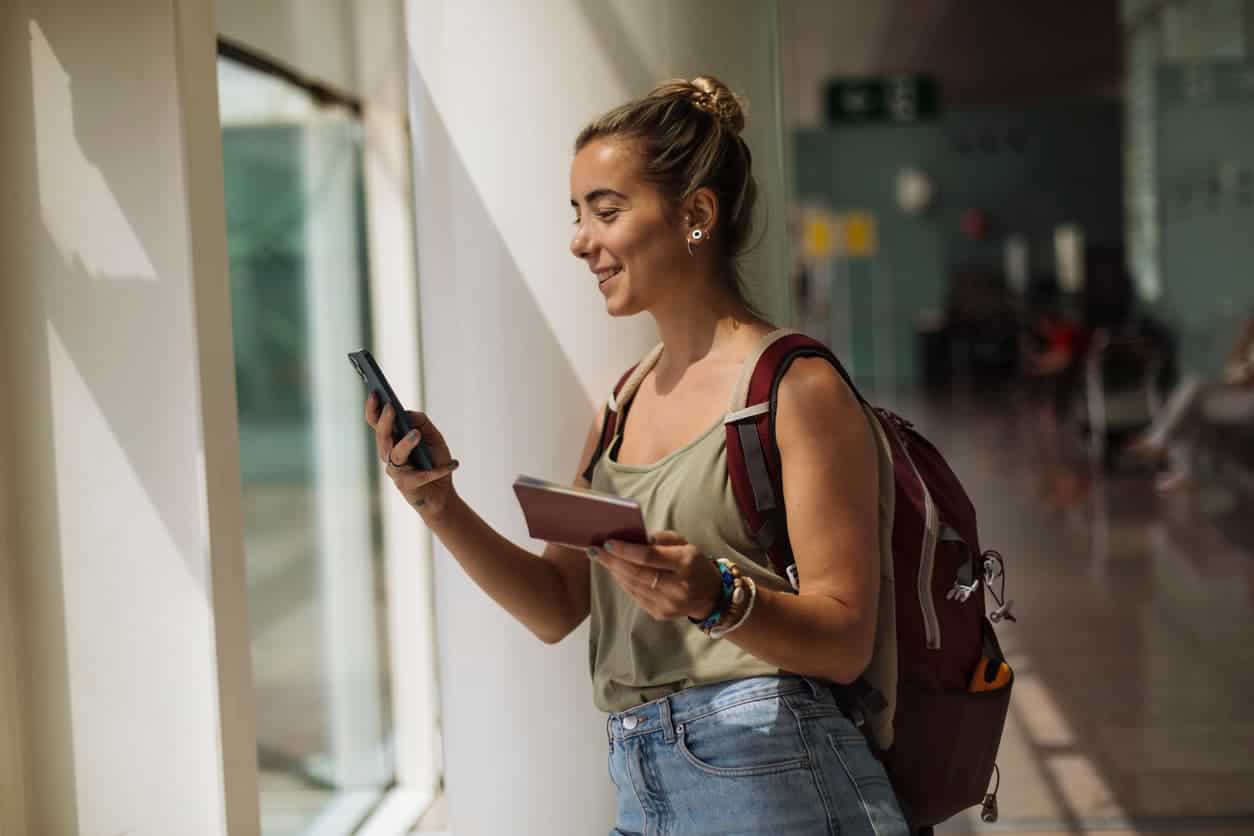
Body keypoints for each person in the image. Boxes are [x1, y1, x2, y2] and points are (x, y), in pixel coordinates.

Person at [365, 76, 908, 835]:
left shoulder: (793, 388)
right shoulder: (620, 406)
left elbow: (846, 640)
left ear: (696, 215)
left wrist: (715, 596)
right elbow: (557, 606)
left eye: (606, 210)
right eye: (577, 213)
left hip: (775, 774)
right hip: (642, 778)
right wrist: (437, 503)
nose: (580, 240)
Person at [1127, 313, 1254, 492]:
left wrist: (1245, 375)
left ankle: (1165, 447)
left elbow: (1243, 376)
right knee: (1192, 387)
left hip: (1249, 399)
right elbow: (1232, 371)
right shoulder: (1249, 335)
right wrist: (1241, 360)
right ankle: (1170, 454)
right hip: (1237, 393)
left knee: (1191, 402)